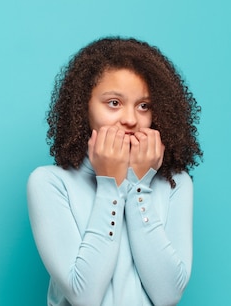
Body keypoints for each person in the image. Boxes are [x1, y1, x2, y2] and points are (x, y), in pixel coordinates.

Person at [27, 37, 203, 306]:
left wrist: (138, 186)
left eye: (144, 105)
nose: (131, 119)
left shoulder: (175, 183)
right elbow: (84, 296)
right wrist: (110, 183)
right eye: (113, 103)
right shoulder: (50, 183)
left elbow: (168, 295)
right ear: (83, 108)